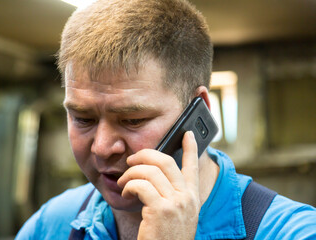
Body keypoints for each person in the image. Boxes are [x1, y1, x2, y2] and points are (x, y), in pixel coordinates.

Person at [16, 0, 316, 239]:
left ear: (197, 110)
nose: (103, 148)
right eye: (83, 118)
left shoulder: (293, 232)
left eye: (133, 120)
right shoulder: (49, 225)